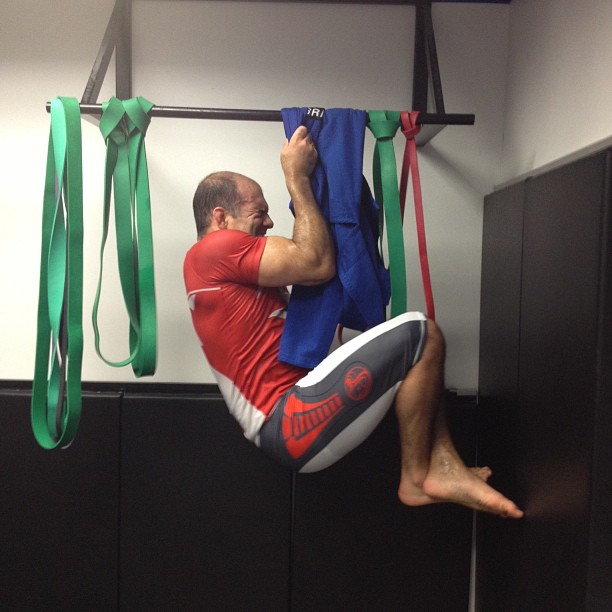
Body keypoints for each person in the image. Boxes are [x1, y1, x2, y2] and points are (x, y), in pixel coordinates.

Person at [183, 126, 523, 519]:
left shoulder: (217, 271)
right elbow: (314, 262)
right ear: (221, 217)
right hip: (290, 421)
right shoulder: (210, 251)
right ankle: (418, 478)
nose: (270, 222)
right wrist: (296, 177)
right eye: (259, 213)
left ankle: (445, 466)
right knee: (421, 333)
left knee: (418, 351)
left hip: (290, 424)